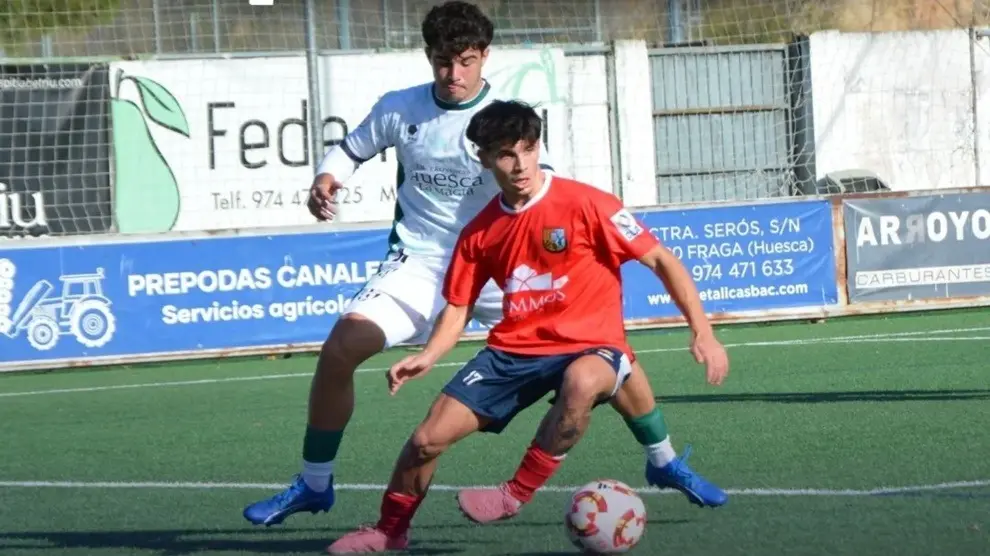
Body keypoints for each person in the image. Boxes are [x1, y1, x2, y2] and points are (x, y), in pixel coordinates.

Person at [242, 0, 726, 529]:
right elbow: (350, 151)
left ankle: (664, 460)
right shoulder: (399, 108)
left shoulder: (506, 119)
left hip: (504, 267)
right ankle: (315, 482)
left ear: (485, 57)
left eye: (467, 61)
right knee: (339, 349)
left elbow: (540, 195)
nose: (455, 74)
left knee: (601, 351)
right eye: (444, 62)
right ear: (429, 57)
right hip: (421, 266)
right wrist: (325, 178)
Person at [324, 99, 730, 553]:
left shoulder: (588, 203)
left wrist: (703, 331)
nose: (519, 165)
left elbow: (660, 258)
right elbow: (457, 308)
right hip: (514, 351)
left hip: (591, 346)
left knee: (586, 378)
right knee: (425, 440)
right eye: (504, 154)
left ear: (538, 147)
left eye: (527, 149)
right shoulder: (479, 232)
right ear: (483, 158)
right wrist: (428, 355)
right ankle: (389, 531)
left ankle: (516, 493)